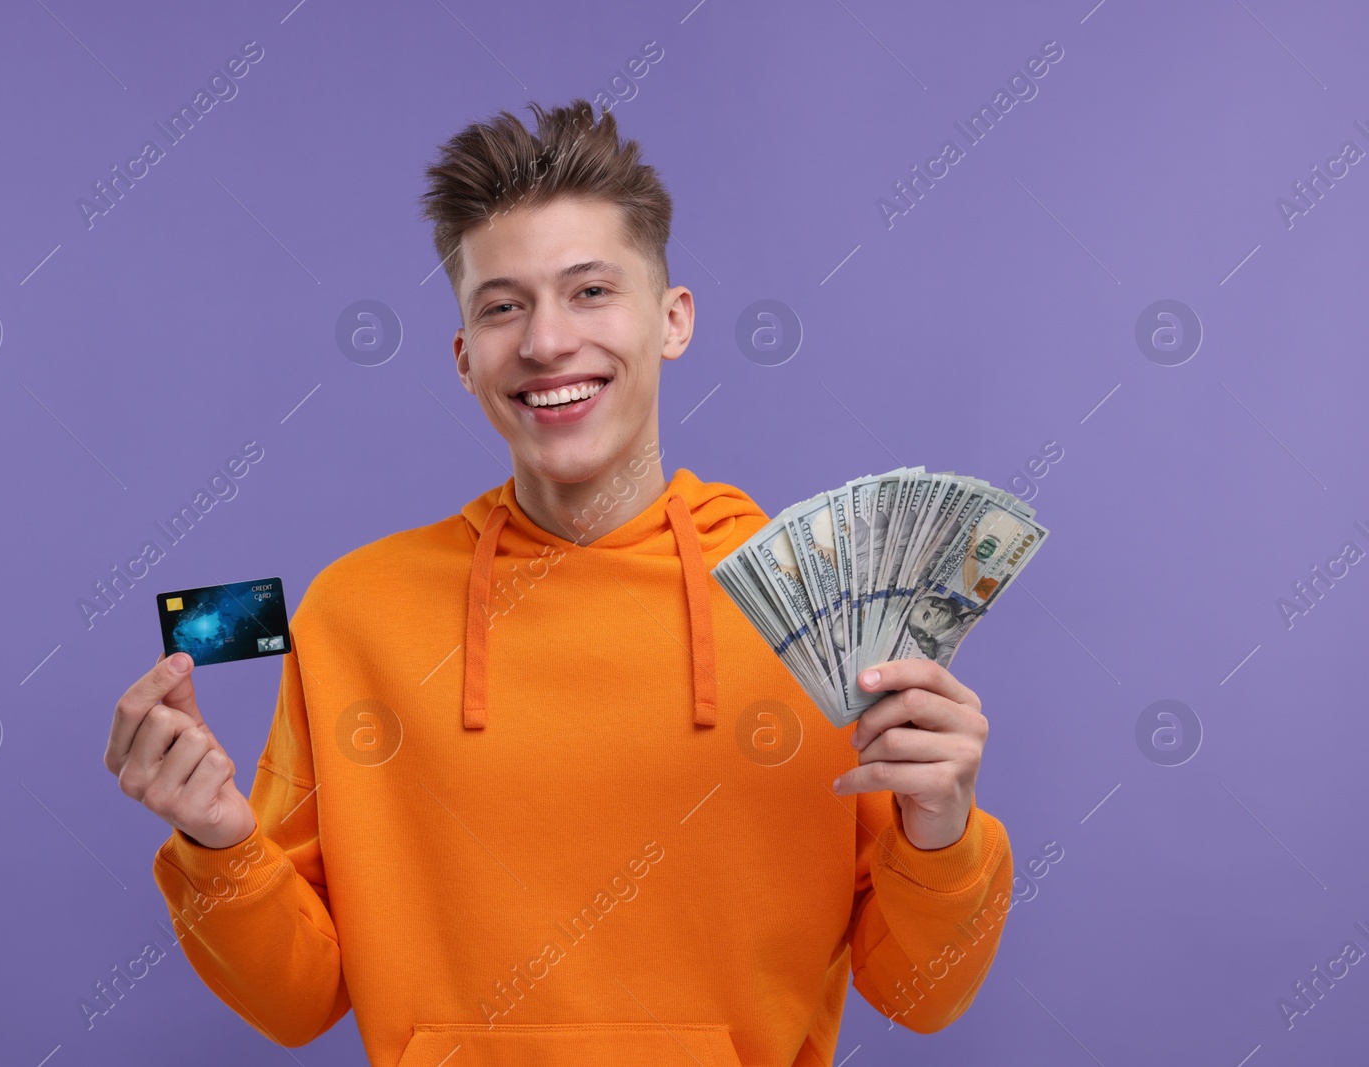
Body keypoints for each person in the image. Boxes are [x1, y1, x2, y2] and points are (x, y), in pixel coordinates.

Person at [105, 98, 1013, 1065]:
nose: (545, 343)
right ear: (465, 359)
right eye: (503, 305)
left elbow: (920, 996)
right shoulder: (354, 613)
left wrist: (943, 829)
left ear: (673, 321)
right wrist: (216, 842)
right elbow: (299, 1000)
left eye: (590, 292)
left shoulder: (820, 606)